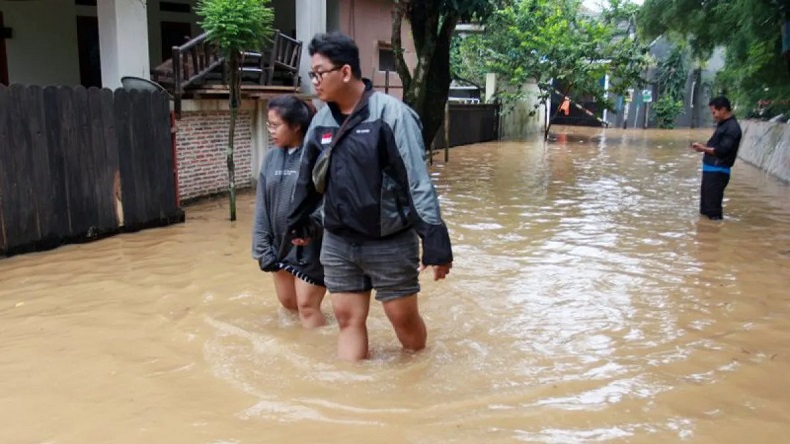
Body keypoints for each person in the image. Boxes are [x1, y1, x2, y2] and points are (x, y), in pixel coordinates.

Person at [286, 32, 453, 361]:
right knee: (348, 321)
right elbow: (307, 179)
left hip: (389, 241)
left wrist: (435, 242)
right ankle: (352, 399)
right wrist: (298, 222)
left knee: (401, 320)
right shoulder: (320, 121)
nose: (314, 81)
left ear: (345, 72)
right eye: (312, 74)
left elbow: (416, 182)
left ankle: (418, 378)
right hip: (338, 242)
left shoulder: (391, 116)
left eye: (319, 73)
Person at [252, 95, 326, 328]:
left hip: (311, 246)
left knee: (306, 306)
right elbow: (262, 206)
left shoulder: (317, 156)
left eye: (275, 125)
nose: (270, 131)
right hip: (279, 246)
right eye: (268, 125)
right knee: (289, 304)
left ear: (296, 126)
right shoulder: (271, 159)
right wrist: (262, 249)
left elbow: (330, 202)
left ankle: (318, 357)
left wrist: (312, 228)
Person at [691, 96, 743, 220]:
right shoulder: (723, 125)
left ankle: (714, 234)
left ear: (723, 109)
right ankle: (706, 237)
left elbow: (721, 150)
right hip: (711, 171)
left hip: (718, 172)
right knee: (705, 208)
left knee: (712, 210)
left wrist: (703, 149)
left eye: (714, 112)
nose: (713, 115)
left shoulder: (732, 128)